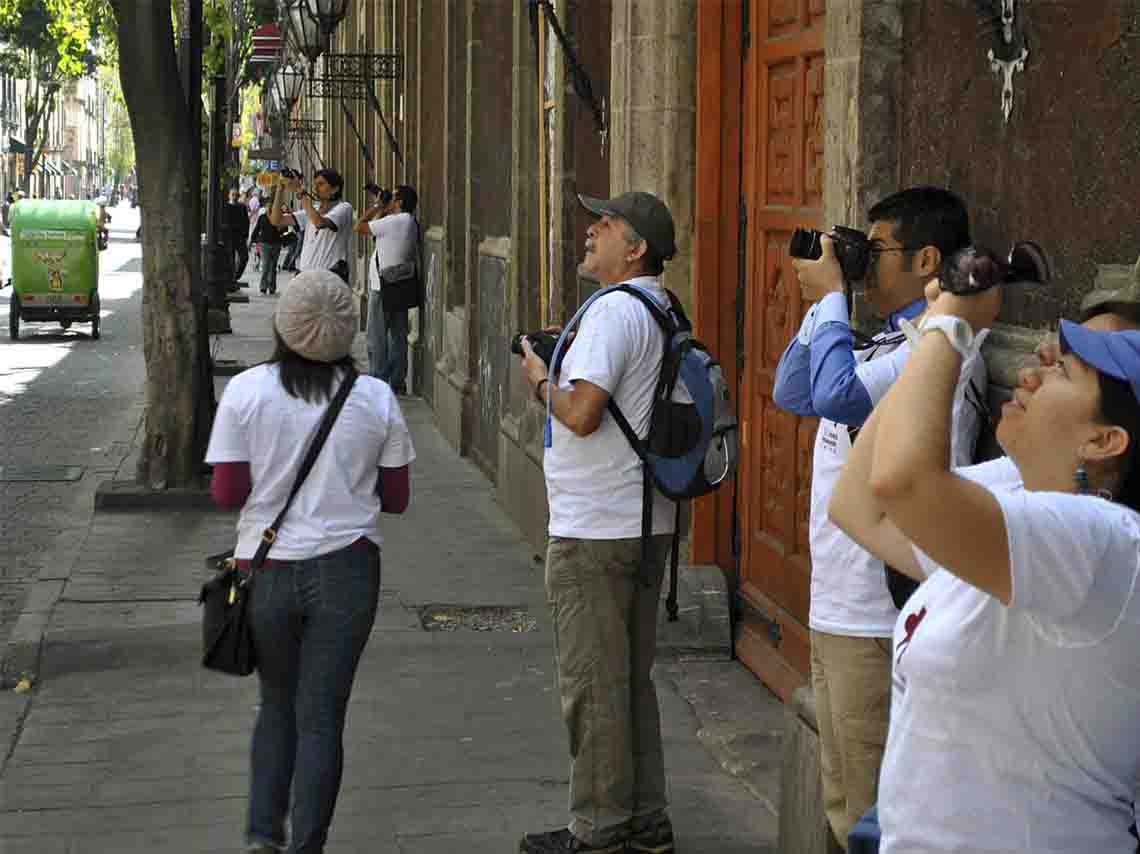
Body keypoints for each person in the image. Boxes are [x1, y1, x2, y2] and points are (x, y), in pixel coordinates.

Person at [828, 254, 1140, 854]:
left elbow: (902, 482)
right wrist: (935, 328)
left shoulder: (1106, 544)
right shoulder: (1013, 489)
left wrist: (950, 324)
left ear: (1105, 440)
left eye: (1065, 371)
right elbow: (859, 503)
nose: (1034, 369)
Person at [772, 186, 979, 850]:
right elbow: (792, 389)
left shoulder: (938, 347)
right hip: (837, 601)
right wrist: (823, 303)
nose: (868, 262)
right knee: (843, 796)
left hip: (878, 611)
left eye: (879, 248)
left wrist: (834, 294)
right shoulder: (886, 340)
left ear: (926, 260)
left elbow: (834, 395)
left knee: (869, 807)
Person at [205, 270, 416, 854]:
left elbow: (226, 492)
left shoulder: (247, 391)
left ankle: (262, 836)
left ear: (282, 326)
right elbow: (396, 499)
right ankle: (308, 845)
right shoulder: (374, 397)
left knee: (277, 703)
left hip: (265, 572)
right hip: (347, 571)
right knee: (322, 716)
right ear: (347, 332)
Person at [517, 191, 681, 854]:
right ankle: (645, 818)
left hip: (598, 529)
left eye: (606, 225)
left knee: (592, 685)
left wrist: (538, 378)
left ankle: (599, 827)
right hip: (644, 520)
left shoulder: (615, 311)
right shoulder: (662, 306)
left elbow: (582, 413)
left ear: (634, 247)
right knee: (628, 679)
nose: (591, 231)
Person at [354, 184, 418, 393]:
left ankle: (378, 379)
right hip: (399, 284)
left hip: (383, 287)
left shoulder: (394, 220)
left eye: (393, 198)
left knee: (377, 335)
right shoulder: (408, 221)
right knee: (398, 334)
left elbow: (360, 226)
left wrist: (377, 205)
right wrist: (385, 207)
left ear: (398, 202)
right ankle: (397, 380)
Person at [268, 169, 354, 283]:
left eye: (321, 184)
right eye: (315, 185)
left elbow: (319, 223)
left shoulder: (344, 208)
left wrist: (300, 191)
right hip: (306, 278)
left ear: (335, 189)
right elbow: (276, 220)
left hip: (329, 280)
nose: (316, 189)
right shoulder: (312, 210)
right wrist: (280, 189)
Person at [250, 198, 284, 295]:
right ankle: (263, 287)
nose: (269, 207)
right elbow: (257, 229)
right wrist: (252, 240)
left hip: (276, 244)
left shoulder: (279, 217)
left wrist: (280, 229)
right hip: (264, 244)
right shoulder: (262, 217)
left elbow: (284, 230)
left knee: (273, 267)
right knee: (265, 266)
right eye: (268, 206)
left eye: (271, 206)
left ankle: (272, 287)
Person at [227, 189, 251, 283]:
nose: (235, 196)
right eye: (233, 194)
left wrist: (246, 235)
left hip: (240, 237)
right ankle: (231, 278)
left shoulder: (242, 207)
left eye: (236, 195)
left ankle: (236, 275)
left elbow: (246, 221)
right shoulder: (226, 206)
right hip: (229, 237)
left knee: (244, 257)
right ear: (229, 195)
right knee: (230, 259)